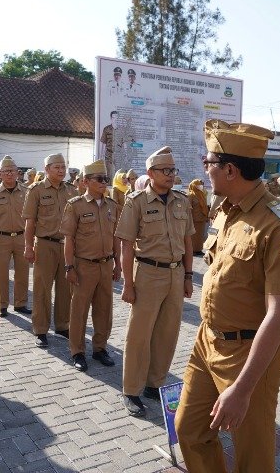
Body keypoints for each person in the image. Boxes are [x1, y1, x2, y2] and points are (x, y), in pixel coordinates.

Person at [175, 120, 280, 472]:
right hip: (208, 341)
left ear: (230, 169)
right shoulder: (226, 209)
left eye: (209, 163)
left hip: (248, 353)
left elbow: (279, 314)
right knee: (189, 429)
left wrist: (243, 388)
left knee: (252, 456)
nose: (205, 170)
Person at [115, 146, 194, 417]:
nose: (171, 175)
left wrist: (188, 276)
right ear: (150, 173)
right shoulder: (136, 202)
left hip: (175, 274)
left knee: (167, 332)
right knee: (139, 334)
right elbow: (125, 245)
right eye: (165, 170)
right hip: (148, 273)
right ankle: (131, 390)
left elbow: (187, 240)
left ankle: (155, 383)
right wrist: (127, 283)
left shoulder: (183, 201)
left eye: (173, 170)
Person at [61, 160, 121, 371]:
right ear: (85, 182)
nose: (104, 183)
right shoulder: (75, 205)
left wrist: (118, 264)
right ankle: (77, 351)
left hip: (106, 265)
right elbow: (69, 239)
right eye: (99, 179)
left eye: (106, 179)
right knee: (79, 311)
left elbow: (116, 238)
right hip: (83, 266)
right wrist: (69, 267)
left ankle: (100, 348)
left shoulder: (112, 205)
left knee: (104, 310)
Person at [23, 153, 78, 348]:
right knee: (42, 289)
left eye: (63, 167)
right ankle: (40, 329)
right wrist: (29, 247)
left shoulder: (72, 190)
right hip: (45, 244)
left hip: (66, 246)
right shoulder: (36, 190)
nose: (61, 170)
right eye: (57, 167)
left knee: (65, 289)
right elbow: (30, 222)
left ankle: (62, 325)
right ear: (46, 170)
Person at [0, 156, 31, 317]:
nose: (9, 174)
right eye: (5, 171)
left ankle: (21, 303)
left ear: (17, 173)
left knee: (23, 272)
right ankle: (1, 305)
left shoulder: (26, 192)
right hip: (0, 238)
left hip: (22, 236)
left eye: (12, 171)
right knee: (0, 273)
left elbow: (33, 217)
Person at [188, 179, 209, 256]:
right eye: (199, 184)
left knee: (200, 236)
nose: (200, 186)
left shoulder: (202, 194)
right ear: (194, 185)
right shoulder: (190, 195)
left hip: (202, 219)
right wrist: (189, 219)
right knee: (193, 236)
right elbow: (189, 208)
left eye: (201, 184)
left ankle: (199, 249)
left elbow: (204, 206)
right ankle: (192, 250)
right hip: (194, 219)